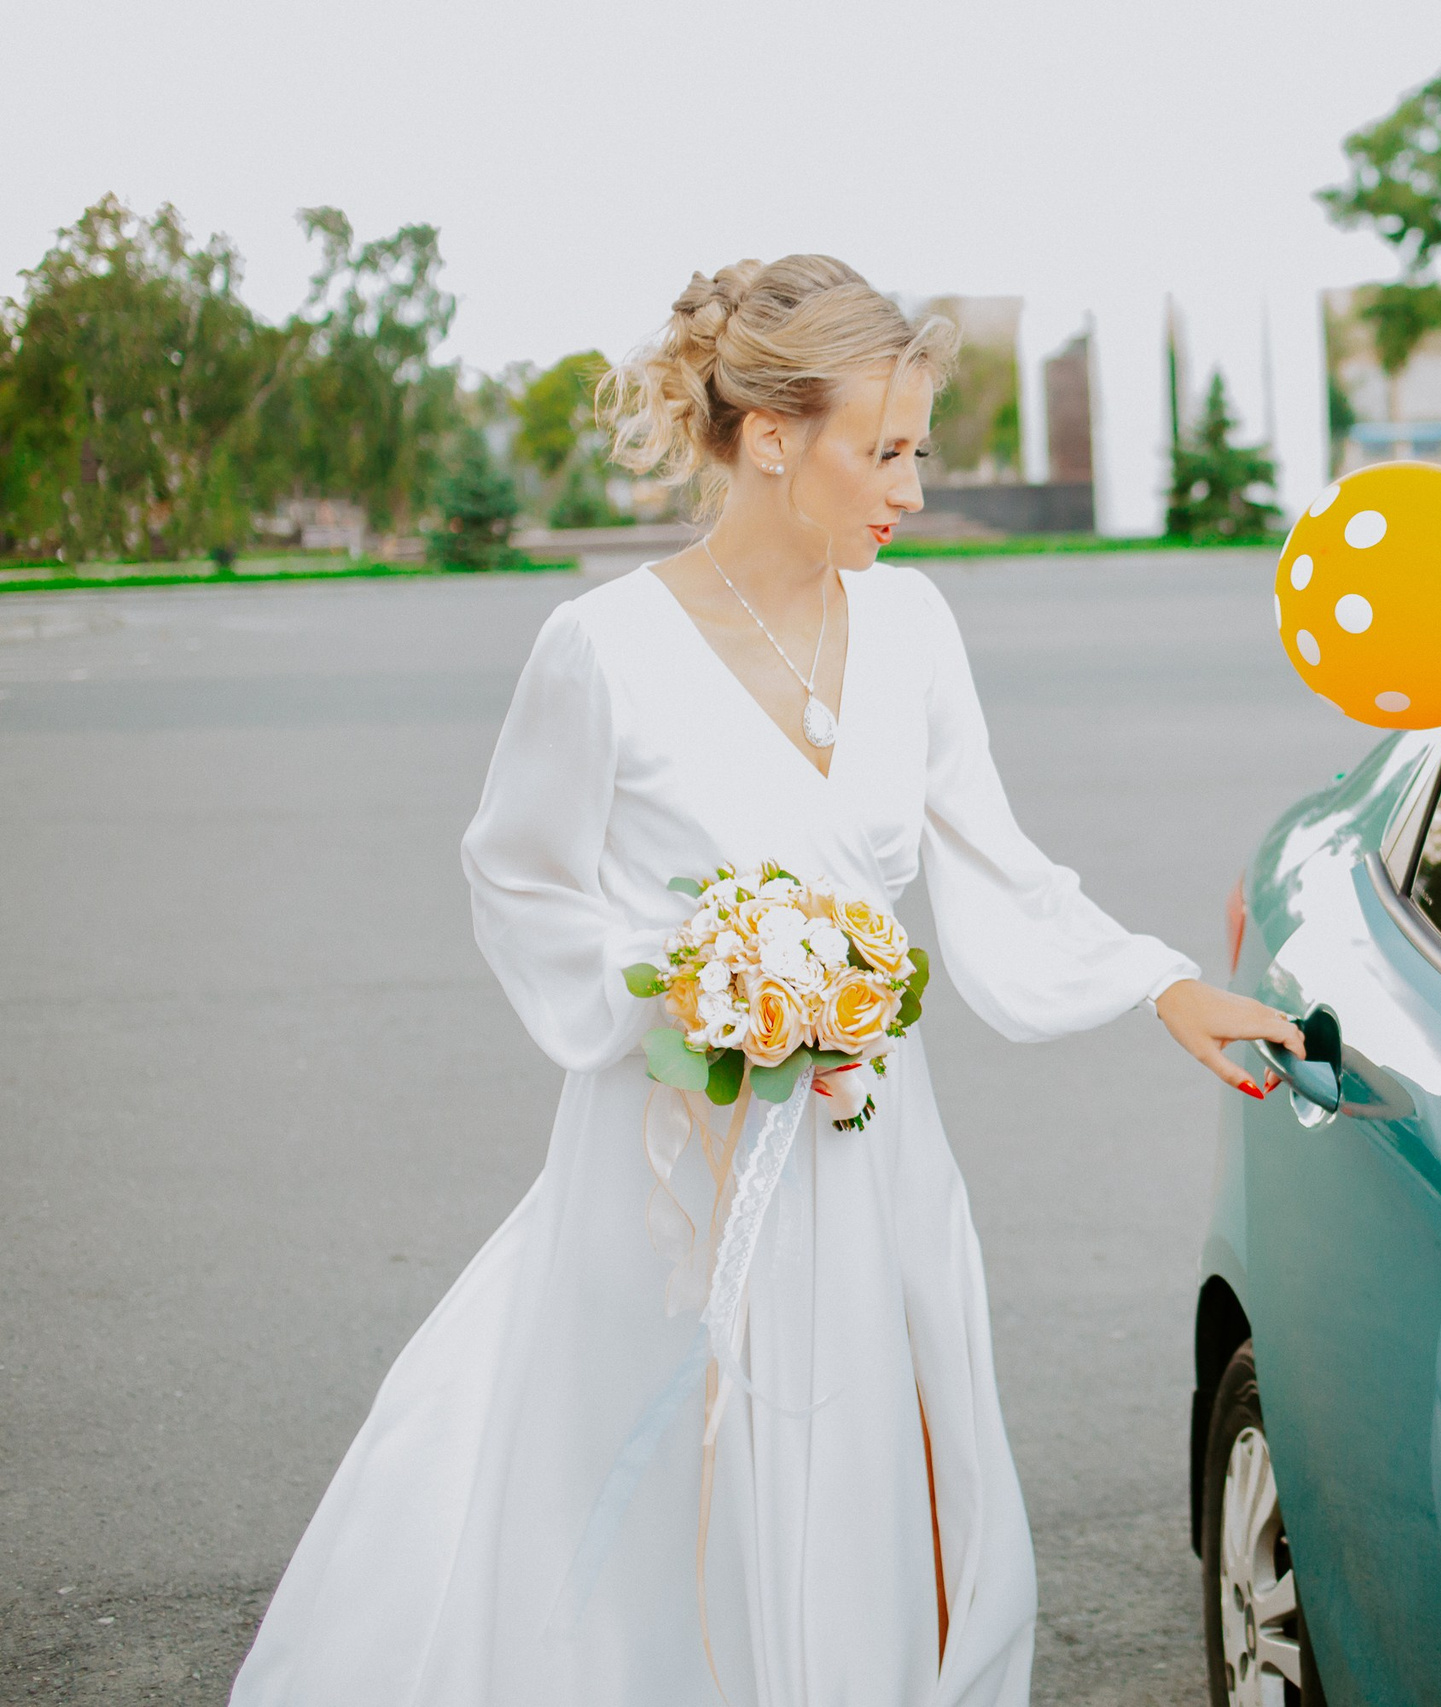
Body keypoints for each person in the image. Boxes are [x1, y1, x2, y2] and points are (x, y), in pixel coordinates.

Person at [230, 256, 1303, 1707]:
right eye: (888, 449)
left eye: (921, 449)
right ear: (775, 434)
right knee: (680, 1476)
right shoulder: (601, 649)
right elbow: (519, 875)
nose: (913, 489)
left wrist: (1161, 984)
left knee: (891, 1462)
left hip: (872, 1142)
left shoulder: (915, 627)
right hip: (678, 1159)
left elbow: (997, 861)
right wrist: (687, 991)